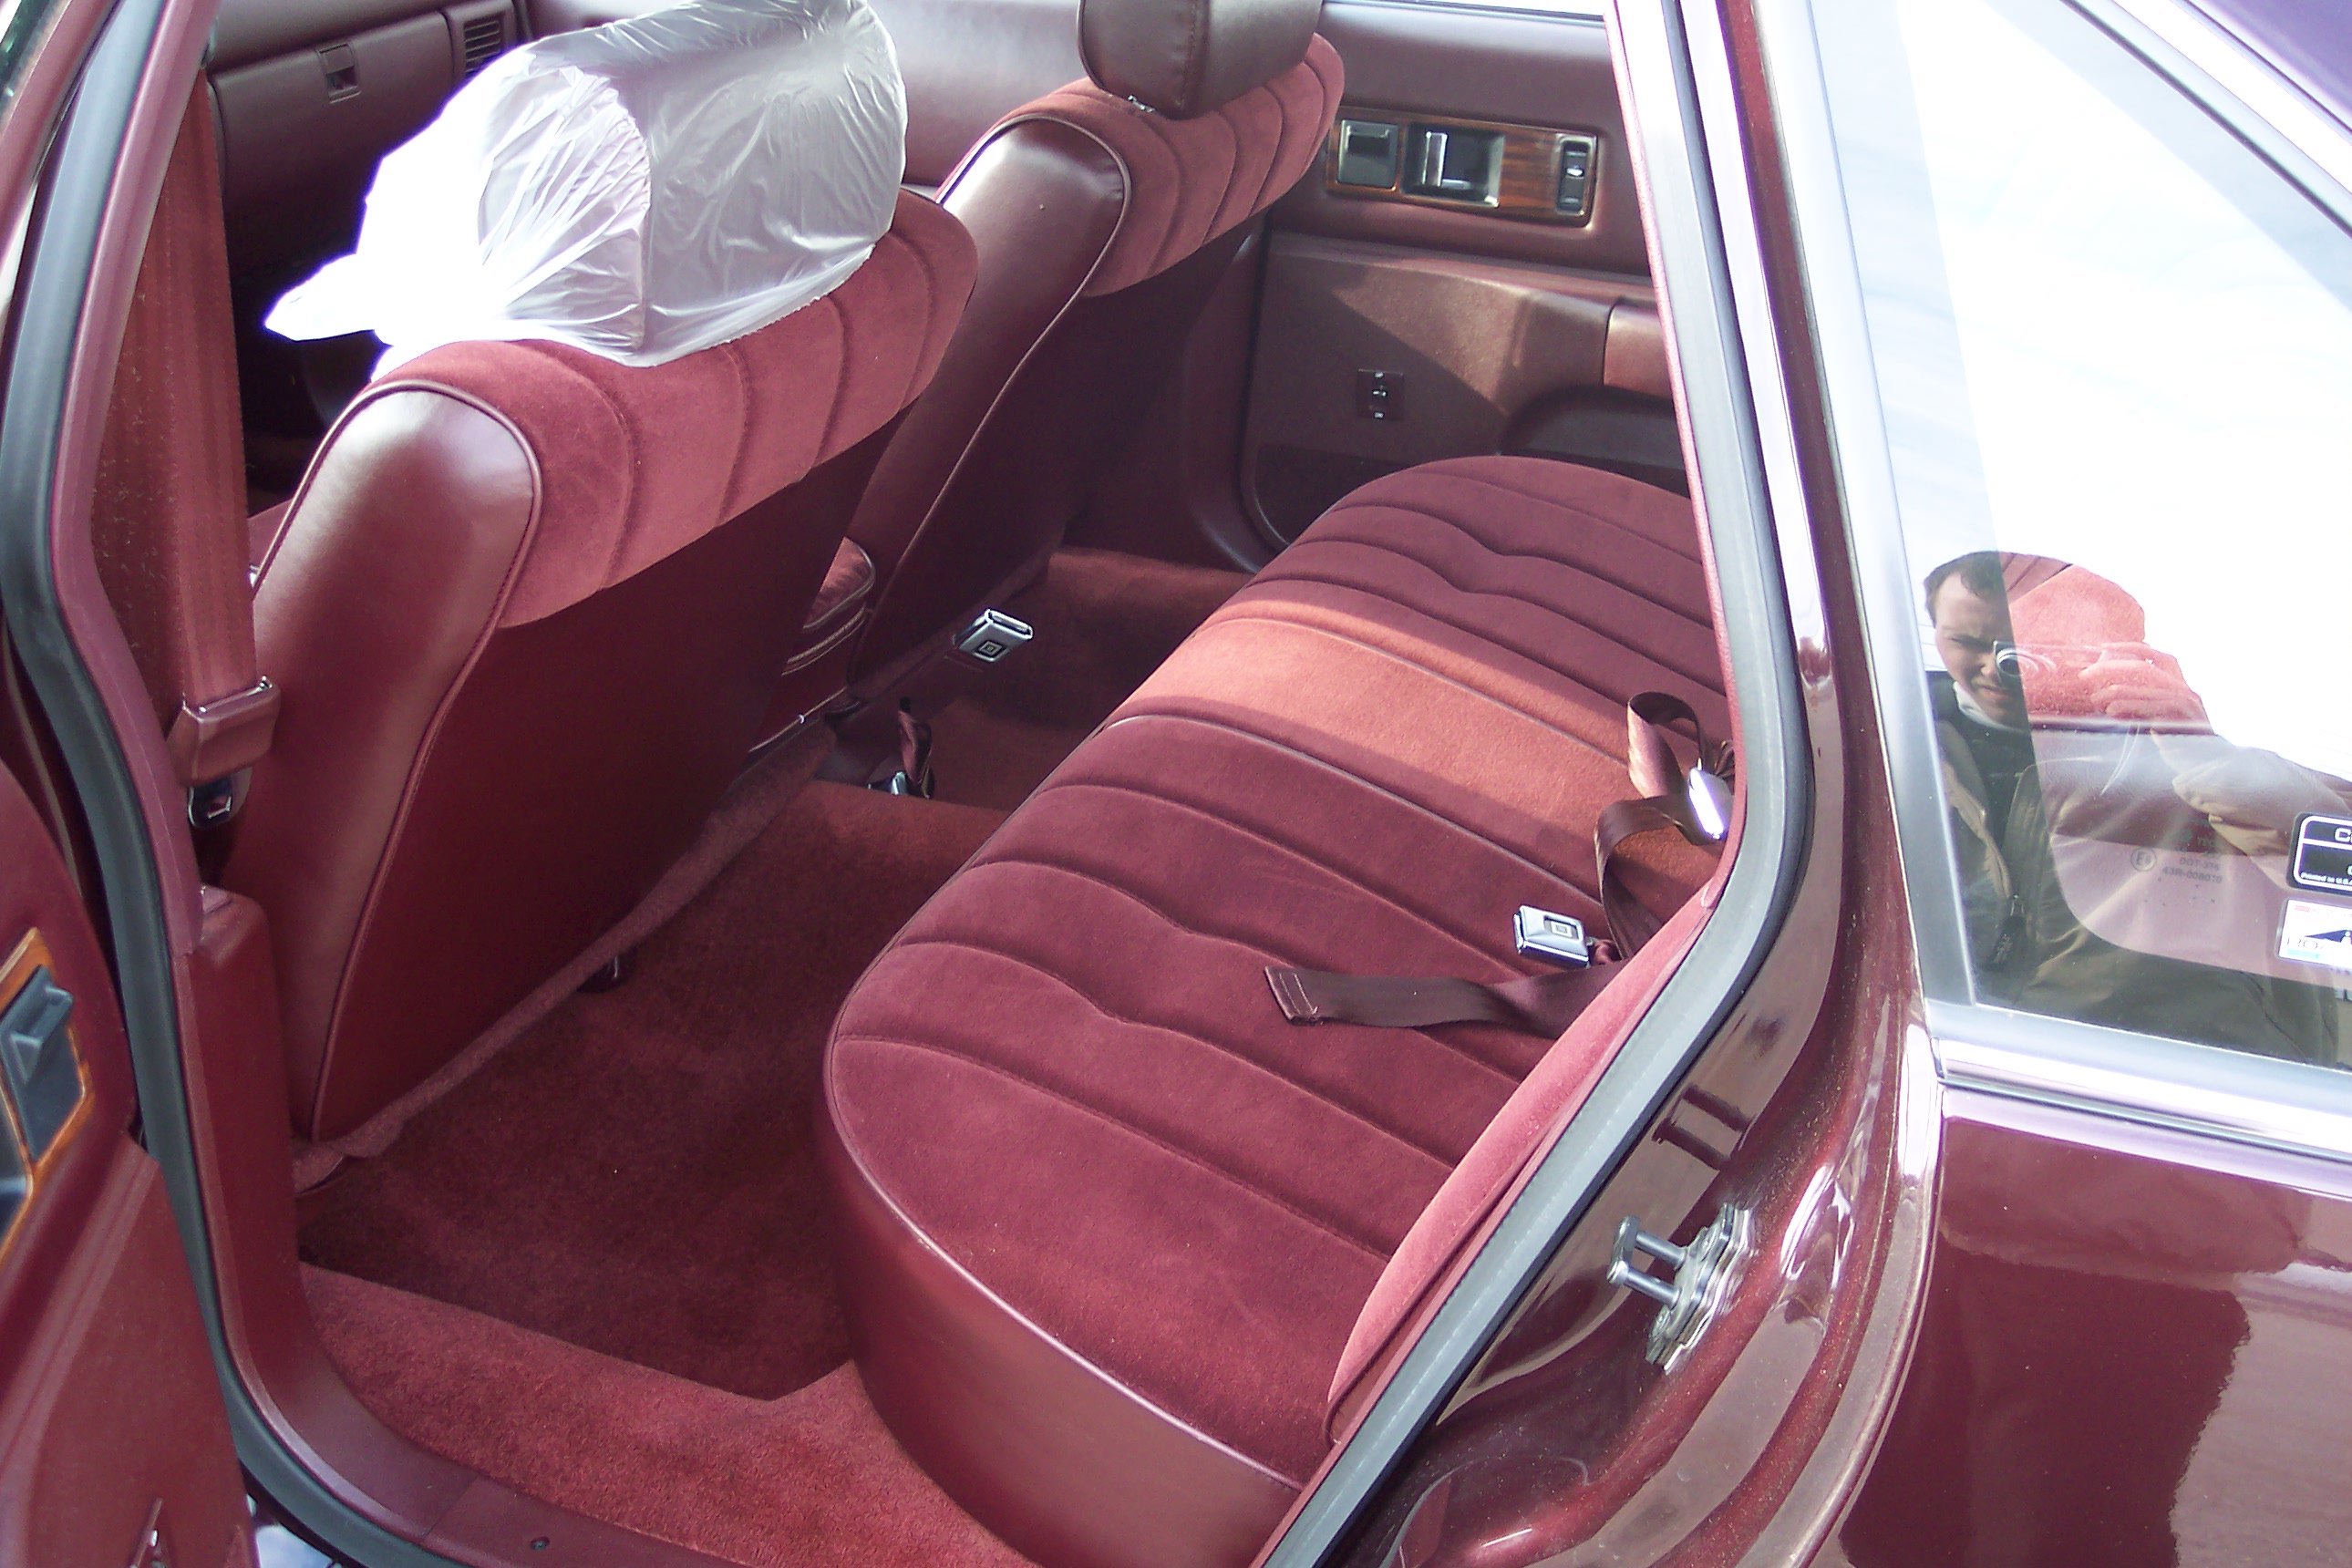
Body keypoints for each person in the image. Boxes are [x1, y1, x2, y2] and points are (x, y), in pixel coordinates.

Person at [1923, 552, 2341, 1063]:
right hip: (1960, 1056)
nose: (1997, 669)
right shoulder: (1884, 742)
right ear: (1933, 632)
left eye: (2026, 649)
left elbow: (2335, 864)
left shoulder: (2196, 758)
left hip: (2186, 1076)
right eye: (1966, 643)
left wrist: (2210, 760)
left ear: (2114, 650)